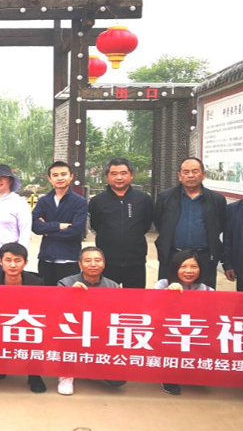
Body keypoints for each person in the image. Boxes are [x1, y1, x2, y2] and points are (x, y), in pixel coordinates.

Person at [56, 247, 123, 395]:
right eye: (88, 261)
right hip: (74, 331)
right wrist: (70, 294)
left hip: (101, 333)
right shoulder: (66, 283)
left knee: (118, 380)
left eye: (97, 260)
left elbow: (118, 314)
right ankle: (66, 374)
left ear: (104, 263)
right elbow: (57, 310)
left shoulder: (113, 286)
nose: (93, 264)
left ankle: (92, 366)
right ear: (80, 264)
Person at [0, 242, 47, 393]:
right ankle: (0, 364)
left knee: (36, 336)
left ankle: (34, 375)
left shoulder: (37, 283)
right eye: (8, 260)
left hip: (28, 326)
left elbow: (45, 310)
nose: (12, 265)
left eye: (18, 261)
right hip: (1, 327)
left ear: (25, 263)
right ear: (0, 262)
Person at [154, 157, 226, 290]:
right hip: (172, 256)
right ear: (179, 176)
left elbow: (219, 225)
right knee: (170, 294)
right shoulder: (165, 197)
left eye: (195, 171)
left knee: (204, 297)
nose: (191, 175)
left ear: (203, 175)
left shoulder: (217, 199)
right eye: (186, 172)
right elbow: (160, 223)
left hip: (204, 257)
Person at [153, 249, 214, 396]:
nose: (189, 271)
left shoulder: (208, 290)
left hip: (194, 334)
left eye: (194, 267)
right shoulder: (163, 284)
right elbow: (151, 307)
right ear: (175, 268)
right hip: (168, 332)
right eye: (183, 267)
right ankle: (168, 377)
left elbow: (213, 317)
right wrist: (167, 293)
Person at [87, 158, 153, 288]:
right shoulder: (97, 201)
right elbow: (95, 225)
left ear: (131, 175)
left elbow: (146, 225)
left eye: (123, 173)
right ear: (107, 176)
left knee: (135, 299)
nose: (119, 177)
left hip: (136, 261)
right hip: (107, 262)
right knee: (107, 298)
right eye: (114, 173)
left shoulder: (143, 199)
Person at [31, 162, 88, 286]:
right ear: (49, 179)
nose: (60, 178)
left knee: (68, 295)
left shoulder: (79, 202)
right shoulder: (44, 201)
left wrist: (47, 231)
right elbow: (34, 226)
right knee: (47, 295)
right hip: (46, 258)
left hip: (69, 258)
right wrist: (58, 226)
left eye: (63, 174)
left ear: (71, 176)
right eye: (55, 175)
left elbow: (76, 231)